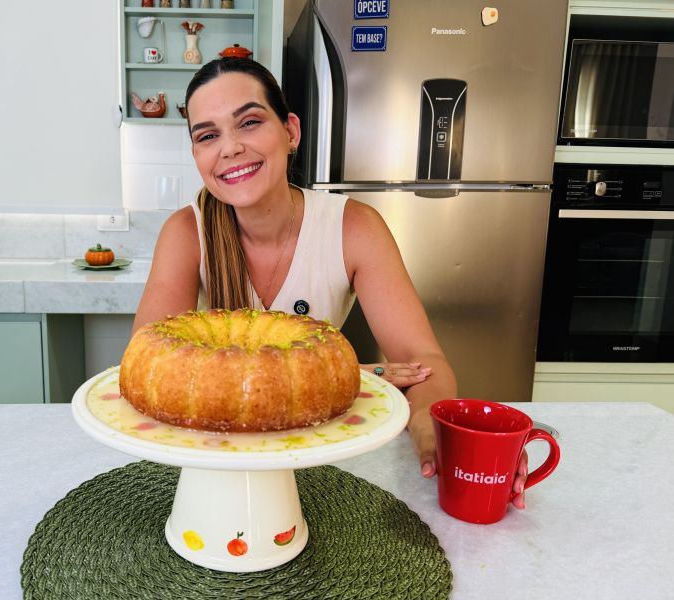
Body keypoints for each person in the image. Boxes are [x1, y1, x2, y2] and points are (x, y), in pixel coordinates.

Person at [132, 57, 528, 509]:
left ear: (291, 132)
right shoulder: (187, 233)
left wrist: (429, 428)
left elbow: (422, 361)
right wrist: (344, 378)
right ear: (197, 156)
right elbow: (149, 367)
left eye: (250, 122)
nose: (230, 148)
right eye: (208, 135)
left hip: (321, 465)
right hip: (215, 466)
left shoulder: (354, 228)